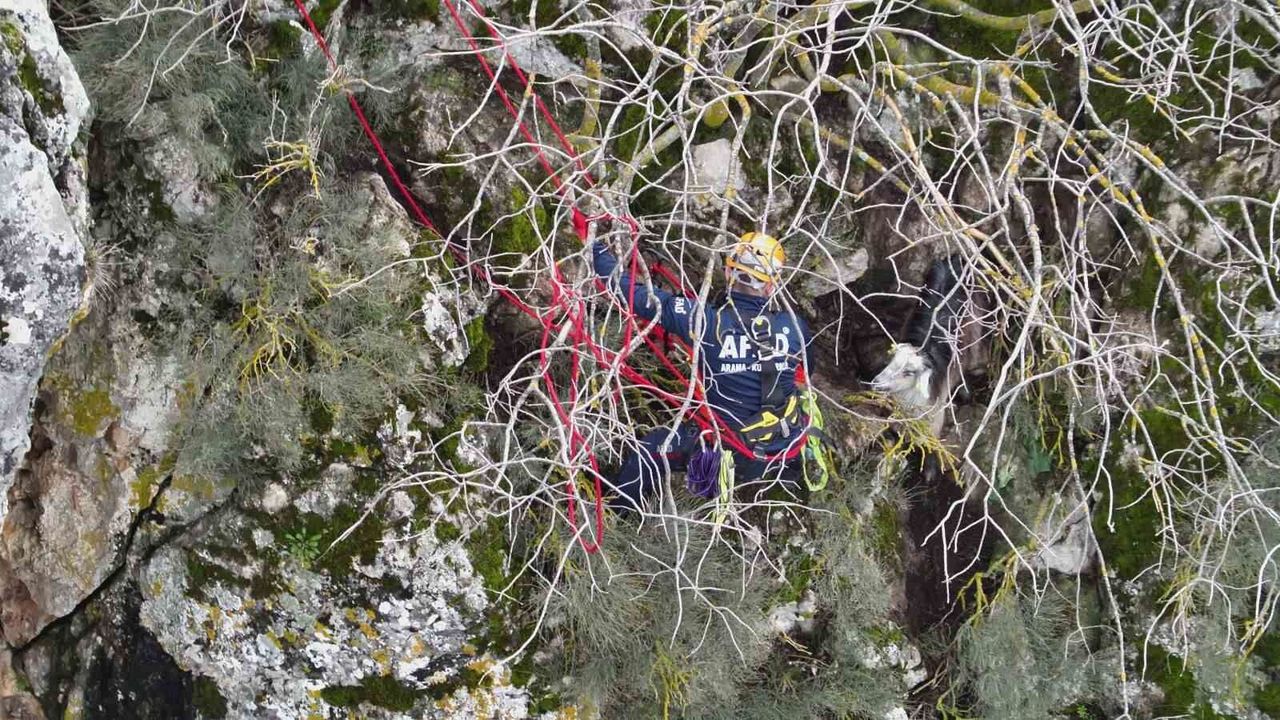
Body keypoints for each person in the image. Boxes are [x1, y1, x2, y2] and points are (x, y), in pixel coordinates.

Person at [592, 231, 816, 511]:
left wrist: (593, 247)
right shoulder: (795, 327)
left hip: (731, 453)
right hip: (781, 448)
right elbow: (806, 373)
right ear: (772, 286)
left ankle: (617, 514)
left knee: (649, 452)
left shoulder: (706, 321)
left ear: (728, 273)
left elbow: (632, 293)